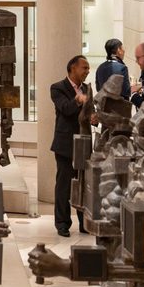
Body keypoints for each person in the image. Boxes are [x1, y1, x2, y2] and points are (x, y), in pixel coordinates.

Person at [50, 55, 91, 237]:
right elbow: (65, 109)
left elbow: (90, 111)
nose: (87, 71)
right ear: (73, 68)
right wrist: (78, 100)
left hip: (84, 143)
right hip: (65, 144)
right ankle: (62, 223)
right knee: (64, 185)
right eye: (84, 67)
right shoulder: (58, 88)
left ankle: (84, 223)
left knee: (84, 183)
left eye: (88, 68)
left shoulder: (88, 88)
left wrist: (94, 117)